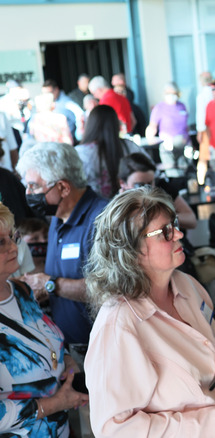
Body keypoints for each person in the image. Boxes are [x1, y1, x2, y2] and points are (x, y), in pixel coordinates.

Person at [83, 186, 215, 437]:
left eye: (174, 224)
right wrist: (209, 424)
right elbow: (114, 429)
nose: (178, 234)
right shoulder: (118, 324)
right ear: (132, 251)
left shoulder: (187, 284)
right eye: (165, 232)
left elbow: (208, 361)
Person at [0, 202, 89, 437]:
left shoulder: (22, 290)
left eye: (12, 237)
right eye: (1, 242)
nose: (13, 247)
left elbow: (43, 342)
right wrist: (53, 405)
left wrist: (65, 359)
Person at [17, 142, 108, 348]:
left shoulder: (103, 219)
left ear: (63, 188)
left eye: (35, 186)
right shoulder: (57, 218)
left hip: (103, 349)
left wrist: (51, 284)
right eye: (27, 186)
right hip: (71, 349)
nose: (29, 193)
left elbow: (110, 288)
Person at [76, 104, 144, 198]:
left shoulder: (80, 152)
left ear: (90, 125)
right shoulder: (129, 146)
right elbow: (149, 169)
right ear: (116, 123)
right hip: (128, 204)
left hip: (94, 209)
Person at [117, 152, 197, 230]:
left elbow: (191, 220)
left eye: (150, 183)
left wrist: (163, 216)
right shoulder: (118, 205)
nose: (146, 189)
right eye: (139, 185)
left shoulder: (163, 188)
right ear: (122, 183)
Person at [145, 81, 190, 146]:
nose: (171, 95)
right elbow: (152, 126)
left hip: (184, 143)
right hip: (167, 145)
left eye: (173, 93)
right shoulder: (159, 108)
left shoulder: (182, 106)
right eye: (168, 93)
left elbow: (186, 125)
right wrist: (149, 138)